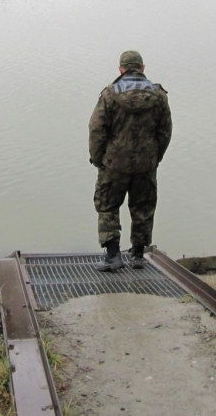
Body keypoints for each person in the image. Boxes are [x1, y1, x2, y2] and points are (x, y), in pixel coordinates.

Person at [88, 50, 172, 271]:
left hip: (114, 164)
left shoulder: (109, 94)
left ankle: (113, 256)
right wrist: (156, 157)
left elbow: (97, 129)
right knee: (143, 207)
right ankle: (137, 256)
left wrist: (98, 160)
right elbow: (165, 131)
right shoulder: (159, 95)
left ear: (120, 69)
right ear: (142, 68)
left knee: (107, 206)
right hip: (146, 164)